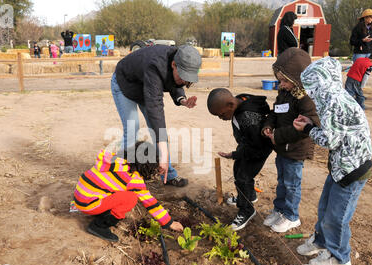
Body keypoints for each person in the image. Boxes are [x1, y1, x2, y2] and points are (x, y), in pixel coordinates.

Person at [293, 56, 372, 265]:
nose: (309, 92)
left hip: (352, 169)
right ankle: (321, 242)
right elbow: (335, 133)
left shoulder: (332, 101)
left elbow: (330, 140)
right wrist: (311, 123)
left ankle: (340, 257)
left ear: (319, 83)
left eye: (311, 86)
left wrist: (308, 130)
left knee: (337, 216)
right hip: (342, 165)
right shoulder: (334, 96)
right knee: (325, 207)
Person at [111, 44, 202, 187]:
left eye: (188, 78)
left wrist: (182, 100)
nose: (185, 81)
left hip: (144, 87)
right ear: (173, 65)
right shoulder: (155, 64)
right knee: (132, 128)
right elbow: (155, 109)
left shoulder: (176, 60)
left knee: (158, 132)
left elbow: (174, 82)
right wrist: (163, 154)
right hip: (125, 83)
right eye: (184, 76)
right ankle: (121, 178)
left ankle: (168, 175)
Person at [72, 141, 184, 242]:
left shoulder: (116, 160)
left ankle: (101, 212)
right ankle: (99, 226)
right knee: (130, 198)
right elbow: (150, 203)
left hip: (80, 196)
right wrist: (169, 223)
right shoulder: (133, 179)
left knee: (117, 190)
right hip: (88, 204)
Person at [261, 48, 320, 233]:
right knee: (281, 181)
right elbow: (275, 111)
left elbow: (306, 128)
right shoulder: (284, 92)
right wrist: (268, 125)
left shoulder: (306, 99)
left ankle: (291, 216)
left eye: (285, 80)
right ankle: (279, 210)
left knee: (292, 184)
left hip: (295, 150)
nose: (282, 83)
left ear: (298, 79)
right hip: (281, 147)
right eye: (279, 79)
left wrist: (277, 136)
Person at [207, 88, 272, 231]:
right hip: (250, 146)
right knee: (239, 170)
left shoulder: (246, 118)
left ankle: (247, 209)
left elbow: (254, 145)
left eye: (222, 114)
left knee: (243, 177)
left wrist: (234, 154)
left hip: (258, 151)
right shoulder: (242, 100)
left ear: (230, 105)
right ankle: (249, 195)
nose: (221, 118)